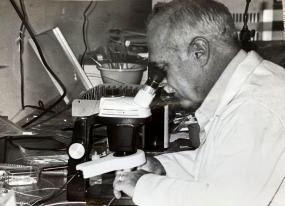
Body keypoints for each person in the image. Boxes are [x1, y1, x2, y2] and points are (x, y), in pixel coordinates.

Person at [112, 0, 285, 205]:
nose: (163, 83)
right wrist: (161, 166)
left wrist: (143, 185)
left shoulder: (255, 107)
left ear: (199, 52)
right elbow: (222, 167)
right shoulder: (250, 89)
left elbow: (227, 201)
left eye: (164, 66)